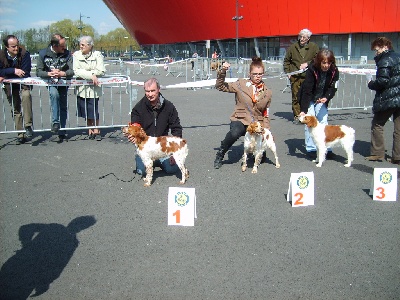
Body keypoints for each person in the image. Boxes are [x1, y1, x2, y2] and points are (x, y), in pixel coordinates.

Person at [214, 56, 272, 169]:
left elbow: (266, 112)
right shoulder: (240, 84)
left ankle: (258, 151)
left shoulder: (268, 92)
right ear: (249, 73)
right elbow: (220, 86)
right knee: (235, 132)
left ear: (263, 74)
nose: (257, 77)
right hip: (240, 118)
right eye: (255, 74)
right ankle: (220, 153)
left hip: (256, 121)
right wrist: (223, 71)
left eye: (260, 74)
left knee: (262, 147)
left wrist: (266, 129)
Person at [124, 77, 183, 176]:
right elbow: (135, 126)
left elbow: (176, 128)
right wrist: (132, 136)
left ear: (159, 90)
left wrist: (174, 151)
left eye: (153, 91)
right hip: (145, 148)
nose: (150, 94)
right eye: (147, 91)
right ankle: (147, 162)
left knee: (172, 169)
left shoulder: (169, 107)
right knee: (141, 172)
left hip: (162, 148)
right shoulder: (138, 108)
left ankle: (158, 162)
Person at [298, 49, 339, 159]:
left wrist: (327, 97)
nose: (326, 65)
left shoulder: (335, 71)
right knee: (310, 122)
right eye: (324, 62)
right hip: (309, 97)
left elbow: (333, 87)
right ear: (319, 62)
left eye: (329, 63)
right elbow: (306, 91)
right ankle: (311, 148)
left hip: (322, 98)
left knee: (323, 120)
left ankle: (326, 147)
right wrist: (304, 110)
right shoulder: (312, 70)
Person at [365, 37, 400, 165]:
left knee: (377, 124)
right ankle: (398, 156)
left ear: (385, 46)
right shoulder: (398, 56)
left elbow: (383, 81)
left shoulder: (385, 60)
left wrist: (371, 83)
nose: (376, 52)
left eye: (377, 49)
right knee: (399, 128)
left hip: (389, 97)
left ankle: (377, 153)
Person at [36, 33, 74, 143]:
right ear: (54, 45)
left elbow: (72, 71)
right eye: (62, 46)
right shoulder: (43, 54)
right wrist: (49, 74)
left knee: (63, 105)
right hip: (51, 82)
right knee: (54, 94)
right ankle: (55, 122)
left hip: (63, 82)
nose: (64, 48)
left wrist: (63, 73)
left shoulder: (67, 54)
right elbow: (38, 71)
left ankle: (62, 131)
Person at [0, 35, 33, 144]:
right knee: (15, 108)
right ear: (6, 47)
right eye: (13, 46)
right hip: (10, 86)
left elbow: (26, 72)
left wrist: (6, 73)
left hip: (23, 83)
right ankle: (20, 134)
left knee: (26, 96)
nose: (16, 48)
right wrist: (13, 70)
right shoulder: (1, 55)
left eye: (17, 45)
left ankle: (28, 126)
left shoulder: (25, 53)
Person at [284, 28, 319, 124]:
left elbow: (317, 59)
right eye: (300, 36)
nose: (301, 39)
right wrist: (288, 73)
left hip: (308, 76)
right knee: (295, 97)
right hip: (295, 76)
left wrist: (307, 64)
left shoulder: (314, 47)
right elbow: (286, 61)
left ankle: (307, 115)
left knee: (307, 96)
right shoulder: (293, 47)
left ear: (308, 38)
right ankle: (297, 116)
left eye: (304, 37)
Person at [73, 36, 106, 141]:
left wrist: (87, 74)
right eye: (80, 44)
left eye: (83, 45)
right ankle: (90, 129)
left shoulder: (98, 55)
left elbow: (101, 70)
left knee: (93, 109)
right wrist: (91, 75)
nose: (80, 46)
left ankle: (97, 130)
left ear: (90, 45)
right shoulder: (76, 55)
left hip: (93, 89)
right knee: (85, 110)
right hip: (82, 88)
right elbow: (76, 71)